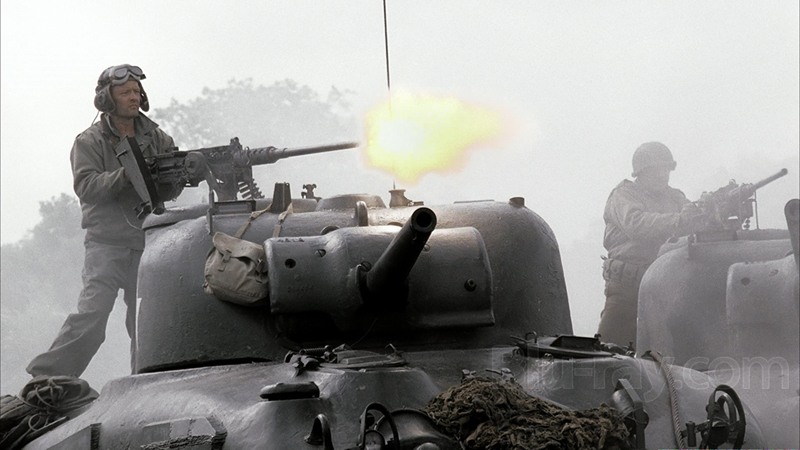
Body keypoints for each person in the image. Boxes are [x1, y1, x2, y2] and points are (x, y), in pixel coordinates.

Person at [26, 64, 175, 377]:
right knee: (93, 315)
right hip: (106, 243)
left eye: (136, 91)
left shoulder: (157, 138)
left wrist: (179, 175)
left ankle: (147, 382)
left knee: (146, 322)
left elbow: (171, 187)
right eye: (125, 92)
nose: (133, 97)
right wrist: (128, 174)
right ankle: (48, 379)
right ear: (107, 99)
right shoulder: (89, 141)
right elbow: (87, 187)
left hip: (146, 242)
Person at [597, 142, 702, 347]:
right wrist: (679, 220)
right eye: (656, 170)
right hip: (627, 290)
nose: (663, 175)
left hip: (664, 287)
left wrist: (707, 211)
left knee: (673, 351)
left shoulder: (675, 197)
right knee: (609, 349)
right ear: (641, 173)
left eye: (666, 169)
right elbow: (636, 224)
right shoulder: (624, 195)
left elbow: (694, 224)